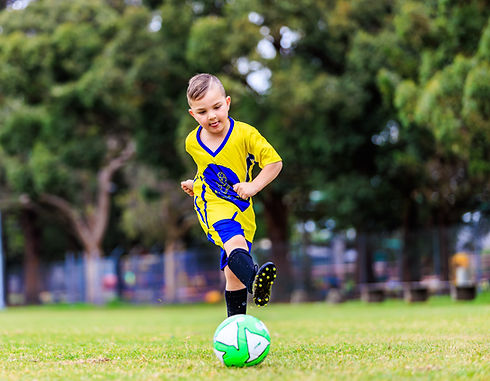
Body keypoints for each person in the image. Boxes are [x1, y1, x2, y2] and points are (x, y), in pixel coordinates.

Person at [181, 73, 283, 317]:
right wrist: (196, 186)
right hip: (212, 205)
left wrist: (253, 186)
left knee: (232, 274)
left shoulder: (246, 134)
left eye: (216, 107)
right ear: (193, 114)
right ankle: (255, 280)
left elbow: (274, 163)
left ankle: (236, 327)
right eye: (202, 112)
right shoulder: (192, 142)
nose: (212, 116)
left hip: (242, 208)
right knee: (233, 243)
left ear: (227, 103)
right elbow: (206, 172)